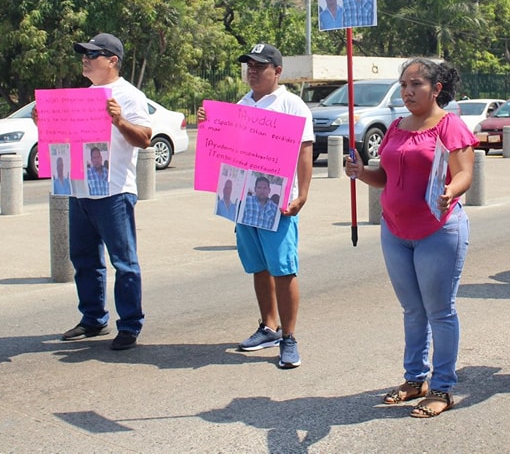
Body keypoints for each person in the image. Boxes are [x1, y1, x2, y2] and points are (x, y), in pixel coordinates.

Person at [345, 58, 476, 419]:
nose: (407, 91)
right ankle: (415, 378)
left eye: (416, 84)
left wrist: (451, 191)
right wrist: (361, 172)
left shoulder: (450, 126)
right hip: (395, 231)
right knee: (412, 310)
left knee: (440, 311)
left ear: (436, 89)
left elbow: (464, 172)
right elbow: (385, 178)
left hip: (438, 230)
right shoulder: (397, 126)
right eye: (404, 84)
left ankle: (443, 387)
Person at [197, 43, 313, 368]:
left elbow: (305, 152)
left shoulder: (292, 106)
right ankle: (269, 326)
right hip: (245, 202)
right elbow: (223, 147)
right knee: (258, 266)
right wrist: (209, 124)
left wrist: (301, 195)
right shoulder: (241, 105)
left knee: (283, 268)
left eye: (260, 66)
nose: (252, 71)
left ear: (277, 71)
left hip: (278, 203)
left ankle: (289, 338)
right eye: (249, 65)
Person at [61, 33, 152, 351]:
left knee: (124, 262)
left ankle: (129, 325)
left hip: (114, 191)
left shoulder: (129, 95)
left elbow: (144, 138)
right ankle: (93, 319)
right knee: (84, 259)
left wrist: (118, 120)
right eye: (84, 54)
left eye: (92, 54)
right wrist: (45, 122)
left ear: (112, 60)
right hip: (80, 189)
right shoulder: (84, 96)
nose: (85, 58)